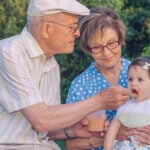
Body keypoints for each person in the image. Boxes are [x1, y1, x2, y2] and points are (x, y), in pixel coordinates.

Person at [0, 1, 130, 150]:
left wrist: (72, 130)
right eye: (71, 27)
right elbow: (41, 120)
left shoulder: (52, 65)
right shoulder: (10, 52)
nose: (77, 33)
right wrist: (99, 101)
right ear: (47, 28)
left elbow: (44, 130)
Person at [65, 6, 130, 150]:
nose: (106, 53)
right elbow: (70, 145)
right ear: (88, 49)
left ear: (120, 40)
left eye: (112, 43)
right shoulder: (80, 86)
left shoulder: (141, 76)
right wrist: (111, 135)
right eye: (97, 47)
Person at [104, 56, 150, 150]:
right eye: (130, 79)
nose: (133, 83)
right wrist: (107, 148)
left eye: (140, 80)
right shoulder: (125, 107)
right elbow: (112, 129)